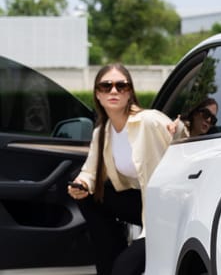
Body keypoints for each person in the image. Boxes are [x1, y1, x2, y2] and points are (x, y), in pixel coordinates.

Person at [67, 63, 173, 275]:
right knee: (85, 192)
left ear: (129, 93)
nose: (113, 91)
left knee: (123, 269)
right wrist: (81, 184)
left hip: (166, 210)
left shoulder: (149, 121)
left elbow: (184, 142)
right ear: (97, 94)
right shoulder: (102, 132)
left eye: (120, 86)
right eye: (106, 86)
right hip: (139, 202)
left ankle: (121, 261)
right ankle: (110, 254)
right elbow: (90, 171)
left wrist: (180, 128)